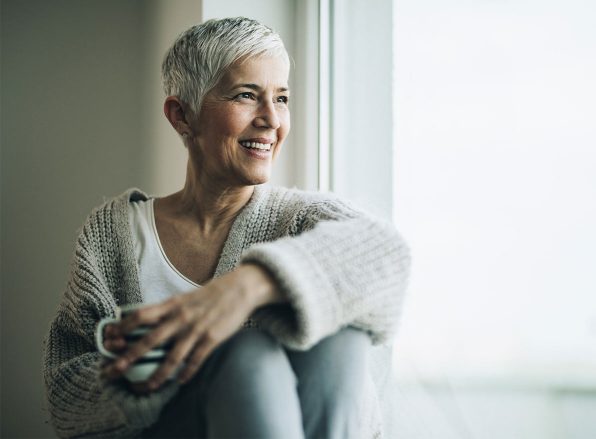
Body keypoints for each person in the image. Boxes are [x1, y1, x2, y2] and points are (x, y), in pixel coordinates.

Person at [43, 17, 411, 439]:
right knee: (247, 354)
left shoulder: (301, 220)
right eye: (246, 95)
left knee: (339, 339)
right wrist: (187, 362)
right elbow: (66, 393)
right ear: (182, 115)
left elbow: (386, 253)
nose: (272, 119)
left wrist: (243, 289)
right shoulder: (114, 235)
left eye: (282, 98)